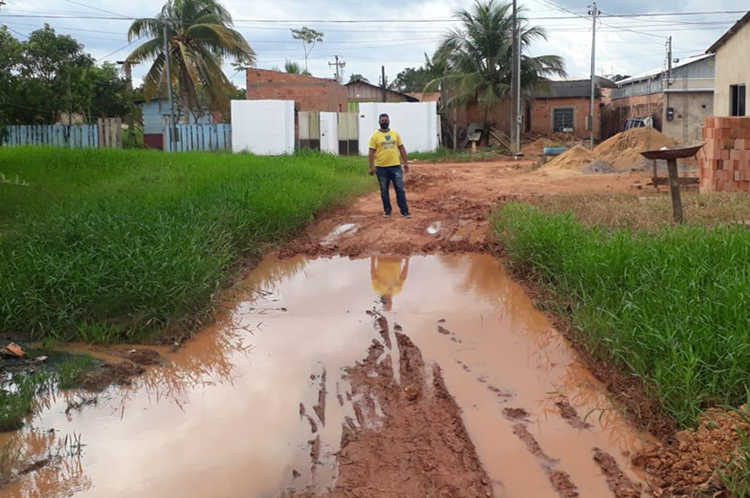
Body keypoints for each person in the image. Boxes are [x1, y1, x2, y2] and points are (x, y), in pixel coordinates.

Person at [368, 113, 411, 218]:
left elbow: (401, 148)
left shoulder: (395, 133)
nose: (385, 122)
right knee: (384, 190)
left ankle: (404, 211)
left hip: (396, 166)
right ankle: (387, 210)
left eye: (386, 120)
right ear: (379, 122)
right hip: (381, 168)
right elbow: (371, 152)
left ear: (389, 121)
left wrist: (405, 162)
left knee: (399, 189)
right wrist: (371, 167)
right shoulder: (374, 136)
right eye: (383, 121)